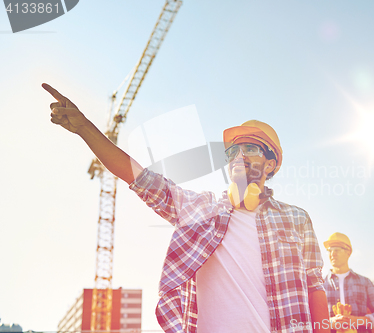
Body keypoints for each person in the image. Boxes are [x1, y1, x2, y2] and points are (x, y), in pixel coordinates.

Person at [42, 83, 331, 333]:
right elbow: (137, 176)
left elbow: (315, 286)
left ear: (270, 164)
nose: (239, 156)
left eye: (251, 149)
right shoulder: (198, 209)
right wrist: (84, 128)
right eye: (233, 150)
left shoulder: (296, 218)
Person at [323, 233, 374, 333]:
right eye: (329, 250)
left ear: (348, 252)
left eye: (337, 250)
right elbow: (309, 317)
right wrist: (330, 322)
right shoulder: (320, 285)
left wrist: (358, 321)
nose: (332, 254)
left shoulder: (365, 282)